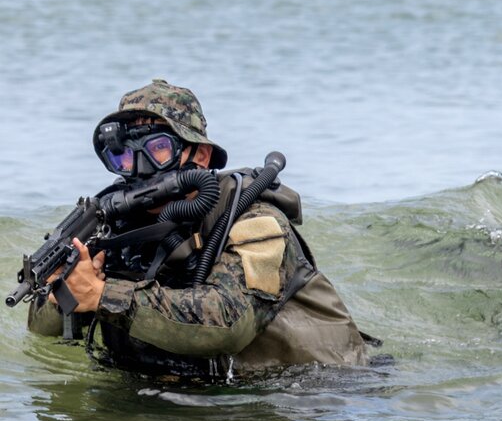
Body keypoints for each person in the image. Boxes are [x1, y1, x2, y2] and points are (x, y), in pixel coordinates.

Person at [26, 79, 371, 378]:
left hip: (315, 393)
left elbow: (229, 323)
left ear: (201, 156)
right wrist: (67, 292)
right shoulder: (115, 224)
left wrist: (104, 295)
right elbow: (40, 327)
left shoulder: (256, 221)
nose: (141, 168)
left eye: (159, 149)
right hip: (183, 397)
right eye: (125, 157)